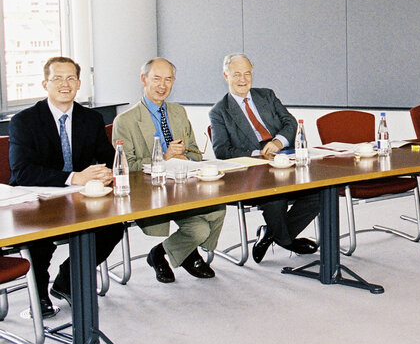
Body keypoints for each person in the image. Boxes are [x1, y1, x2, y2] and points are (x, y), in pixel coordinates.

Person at [8, 56, 124, 318]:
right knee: (40, 238)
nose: (65, 84)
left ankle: (67, 280)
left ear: (79, 83)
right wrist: (74, 177)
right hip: (35, 198)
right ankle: (38, 294)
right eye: (57, 78)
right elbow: (22, 172)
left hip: (78, 198)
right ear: (45, 84)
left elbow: (108, 156)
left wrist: (106, 171)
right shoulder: (24, 121)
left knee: (114, 227)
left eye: (71, 78)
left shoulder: (91, 119)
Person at [112, 58, 225, 283]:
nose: (162, 85)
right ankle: (183, 254)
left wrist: (186, 156)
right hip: (151, 191)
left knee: (217, 210)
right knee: (199, 229)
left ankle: (162, 252)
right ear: (144, 80)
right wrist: (163, 158)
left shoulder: (178, 112)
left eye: (168, 79)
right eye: (156, 79)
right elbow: (126, 168)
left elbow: (195, 151)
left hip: (184, 183)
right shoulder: (125, 120)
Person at [209, 53, 319, 263]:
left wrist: (277, 142)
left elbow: (290, 122)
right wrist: (258, 154)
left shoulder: (267, 95)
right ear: (226, 75)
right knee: (276, 197)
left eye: (247, 73)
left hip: (283, 158)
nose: (243, 79)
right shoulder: (219, 111)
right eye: (237, 74)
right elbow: (222, 151)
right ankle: (286, 240)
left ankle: (271, 232)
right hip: (254, 169)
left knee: (321, 191)